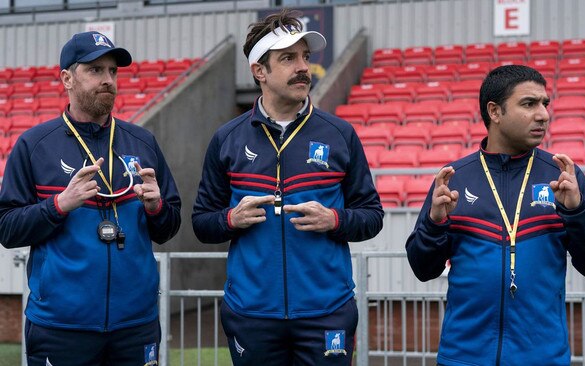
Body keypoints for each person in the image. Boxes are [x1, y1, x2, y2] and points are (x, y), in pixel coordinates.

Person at [192, 9, 384, 366]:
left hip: (326, 311)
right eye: (288, 58)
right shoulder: (227, 139)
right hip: (251, 313)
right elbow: (202, 223)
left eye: (305, 57)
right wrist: (231, 218)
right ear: (259, 71)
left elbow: (372, 216)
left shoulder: (339, 134)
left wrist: (335, 219)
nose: (302, 67)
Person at [405, 65, 585, 366]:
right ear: (495, 111)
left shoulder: (563, 177)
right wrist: (434, 224)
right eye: (529, 104)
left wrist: (577, 212)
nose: (543, 114)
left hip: (542, 358)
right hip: (464, 357)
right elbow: (421, 268)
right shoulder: (454, 179)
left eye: (545, 104)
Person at [0, 31, 181, 365]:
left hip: (135, 325)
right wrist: (58, 205)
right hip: (61, 326)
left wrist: (157, 208)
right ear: (67, 78)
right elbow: (7, 229)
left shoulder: (142, 142)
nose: (108, 80)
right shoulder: (34, 146)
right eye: (96, 70)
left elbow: (168, 227)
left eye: (112, 71)